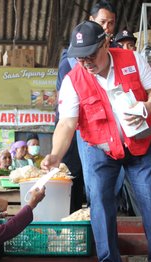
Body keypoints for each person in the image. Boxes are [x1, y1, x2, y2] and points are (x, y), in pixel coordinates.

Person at [43, 20, 151, 262]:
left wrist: (150, 105)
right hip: (99, 149)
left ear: (105, 44)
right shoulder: (73, 80)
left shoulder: (132, 59)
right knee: (100, 202)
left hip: (139, 146)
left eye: (91, 55)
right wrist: (56, 154)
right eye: (80, 58)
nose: (86, 63)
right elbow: (67, 124)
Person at [56, 0, 117, 213]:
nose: (107, 28)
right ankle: (73, 224)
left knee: (102, 183)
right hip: (77, 128)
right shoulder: (70, 59)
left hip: (106, 131)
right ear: (91, 20)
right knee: (75, 175)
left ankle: (98, 221)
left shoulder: (116, 54)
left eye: (111, 23)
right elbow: (65, 107)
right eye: (102, 22)